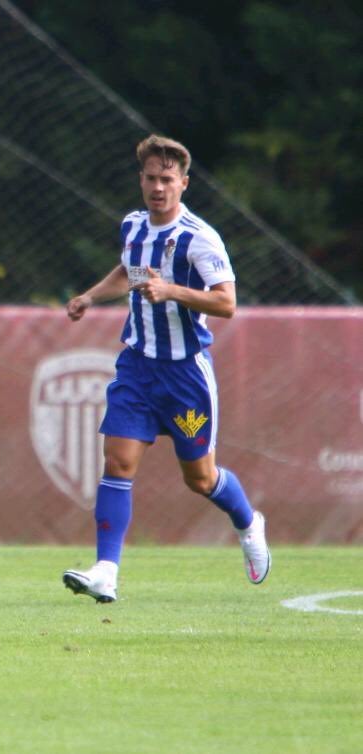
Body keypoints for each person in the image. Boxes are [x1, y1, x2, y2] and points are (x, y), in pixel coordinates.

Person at [61, 134, 270, 603]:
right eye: (151, 178)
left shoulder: (200, 238)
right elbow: (128, 271)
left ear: (184, 184)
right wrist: (91, 297)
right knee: (118, 461)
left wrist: (172, 290)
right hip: (137, 367)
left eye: (168, 179)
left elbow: (227, 303)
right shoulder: (133, 227)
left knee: (199, 479)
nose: (158, 187)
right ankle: (106, 571)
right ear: (141, 180)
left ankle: (247, 522)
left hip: (184, 378)